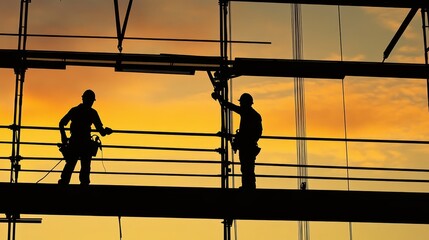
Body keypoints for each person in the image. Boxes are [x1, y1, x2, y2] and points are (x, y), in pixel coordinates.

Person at [58, 89, 113, 185]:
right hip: (84, 143)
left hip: (75, 142)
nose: (91, 103)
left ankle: (64, 183)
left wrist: (63, 137)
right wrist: (106, 131)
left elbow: (61, 123)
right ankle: (83, 186)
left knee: (71, 165)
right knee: (84, 167)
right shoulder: (92, 113)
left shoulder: (75, 110)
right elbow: (101, 131)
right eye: (91, 101)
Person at [213, 92, 262, 189]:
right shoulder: (256, 115)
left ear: (245, 103)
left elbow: (232, 107)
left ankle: (248, 187)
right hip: (250, 145)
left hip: (246, 146)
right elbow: (259, 132)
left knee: (246, 167)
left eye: (242, 103)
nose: (240, 104)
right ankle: (249, 186)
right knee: (248, 168)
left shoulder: (247, 112)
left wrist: (220, 99)